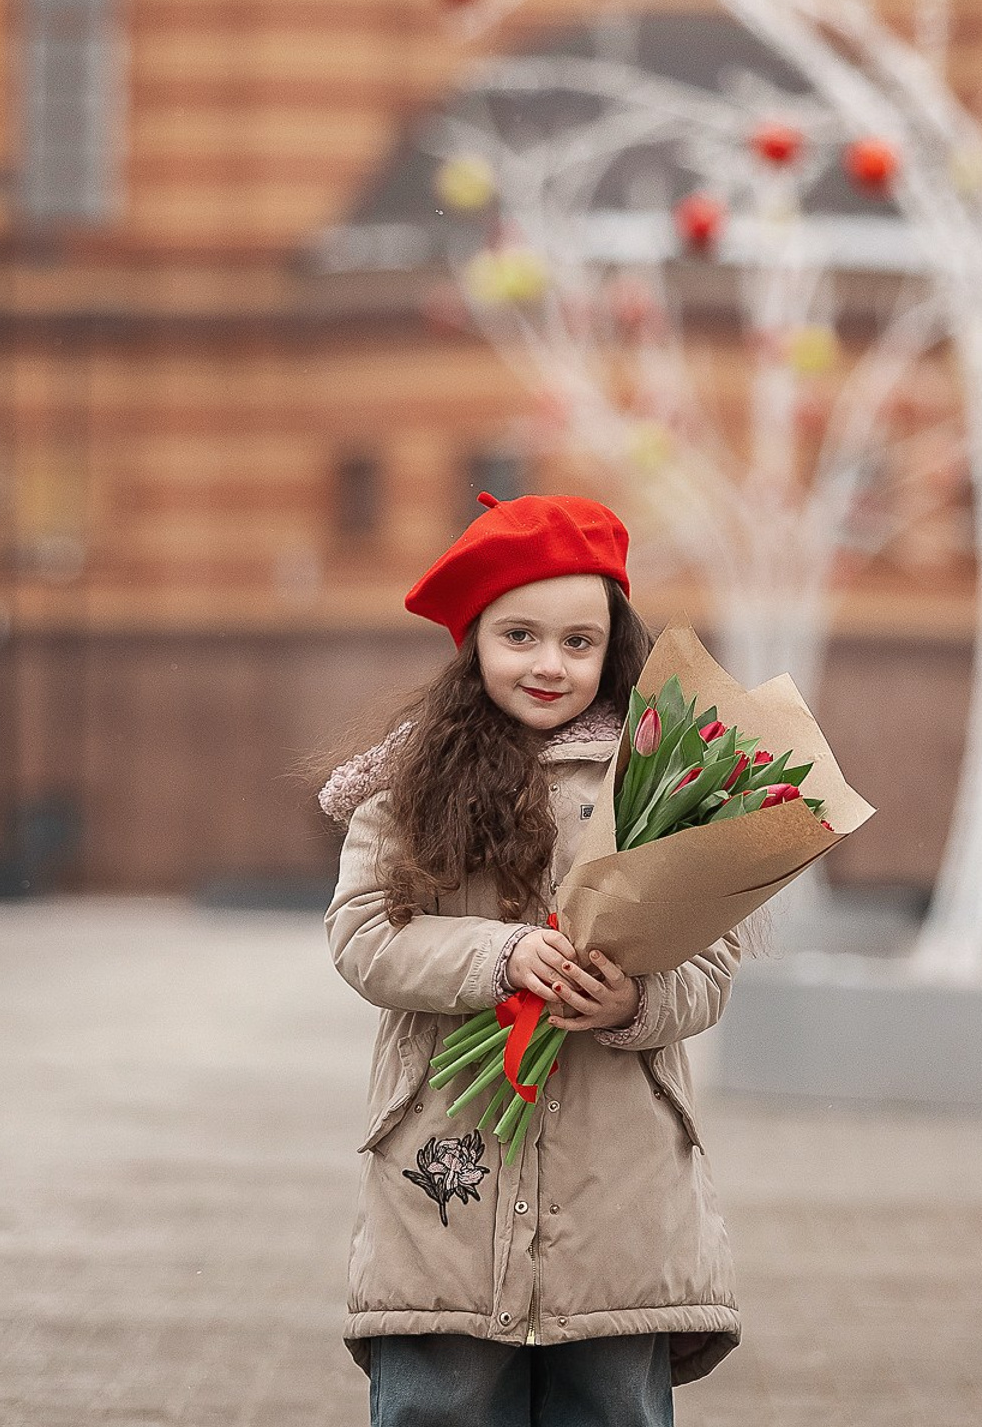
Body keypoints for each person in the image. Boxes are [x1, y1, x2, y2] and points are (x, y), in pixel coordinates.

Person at [320, 491, 741, 1426]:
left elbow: (711, 966)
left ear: (613, 646)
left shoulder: (664, 777)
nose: (550, 664)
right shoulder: (411, 781)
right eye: (520, 636)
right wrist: (504, 955)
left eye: (578, 642)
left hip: (620, 1188)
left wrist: (633, 997)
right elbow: (362, 935)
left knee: (609, 1408)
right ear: (474, 642)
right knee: (444, 1404)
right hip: (448, 1169)